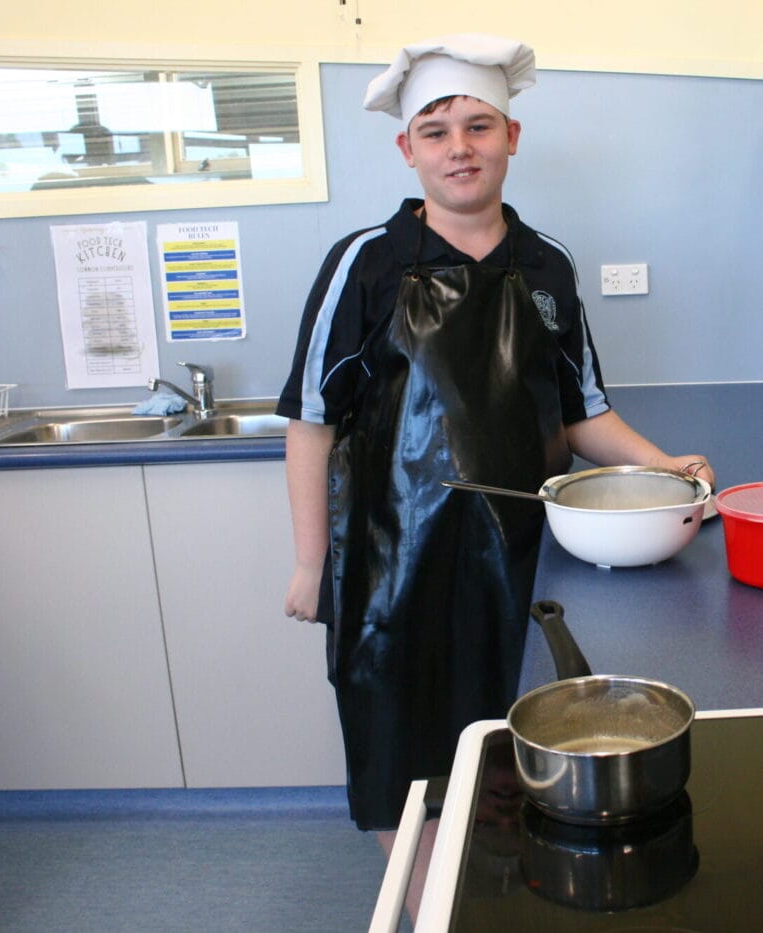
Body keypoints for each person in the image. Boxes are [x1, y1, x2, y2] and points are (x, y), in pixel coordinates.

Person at [276, 33, 714, 832]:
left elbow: (583, 411)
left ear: (511, 137)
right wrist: (312, 564)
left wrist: (664, 469)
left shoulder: (548, 265)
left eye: (479, 126)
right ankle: (419, 891)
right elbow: (312, 422)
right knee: (402, 761)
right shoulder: (364, 264)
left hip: (524, 562)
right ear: (407, 149)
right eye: (436, 132)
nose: (460, 148)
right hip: (391, 567)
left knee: (520, 757)